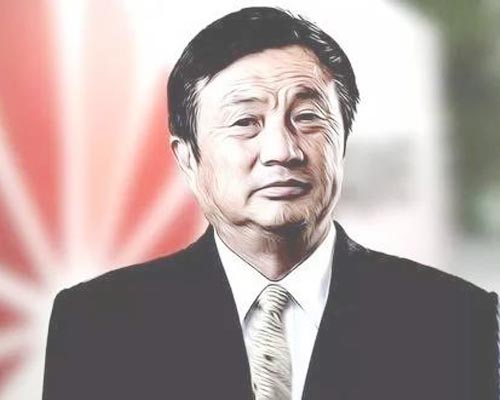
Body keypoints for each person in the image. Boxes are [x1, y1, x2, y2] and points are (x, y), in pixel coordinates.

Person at [42, 7, 498, 400]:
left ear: (343, 141)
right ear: (187, 157)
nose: (282, 150)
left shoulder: (456, 320)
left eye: (307, 117)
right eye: (246, 121)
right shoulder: (97, 325)